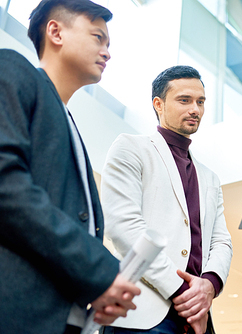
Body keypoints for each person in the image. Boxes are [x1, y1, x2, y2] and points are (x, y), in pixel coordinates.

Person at [0, 1, 141, 334]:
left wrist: (94, 286)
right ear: (55, 32)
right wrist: (99, 271)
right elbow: (7, 187)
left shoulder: (70, 125)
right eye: (98, 37)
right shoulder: (13, 69)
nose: (107, 52)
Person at [100, 65, 233, 334]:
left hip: (197, 316)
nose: (195, 109)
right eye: (184, 100)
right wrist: (183, 291)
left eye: (201, 101)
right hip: (142, 314)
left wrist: (210, 284)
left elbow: (221, 241)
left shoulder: (210, 177)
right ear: (158, 104)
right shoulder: (130, 148)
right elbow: (123, 228)